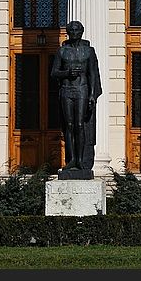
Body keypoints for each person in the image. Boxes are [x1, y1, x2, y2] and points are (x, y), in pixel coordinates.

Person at [50, 20, 102, 172]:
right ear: (68, 32)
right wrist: (67, 73)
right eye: (71, 30)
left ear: (82, 32)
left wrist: (92, 95)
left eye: (77, 30)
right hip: (67, 90)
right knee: (69, 125)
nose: (74, 32)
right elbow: (54, 72)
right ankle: (71, 159)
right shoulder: (62, 51)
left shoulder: (89, 51)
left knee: (80, 125)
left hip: (82, 90)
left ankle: (81, 160)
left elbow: (93, 74)